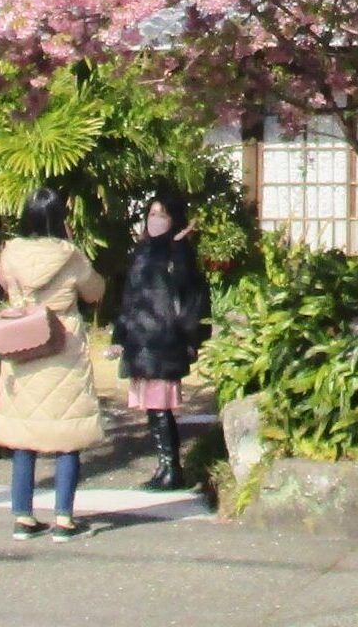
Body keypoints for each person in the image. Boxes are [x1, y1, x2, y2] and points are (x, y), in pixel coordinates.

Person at [0, 187, 107, 541]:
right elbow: (95, 292)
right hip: (63, 348)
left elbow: (2, 283)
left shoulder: (10, 252)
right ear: (59, 220)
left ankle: (23, 517)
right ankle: (64, 520)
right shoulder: (70, 256)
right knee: (67, 436)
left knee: (23, 436)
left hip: (23, 346)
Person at [111, 186, 207, 492]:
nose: (156, 220)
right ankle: (164, 465)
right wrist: (119, 336)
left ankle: (171, 467)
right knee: (153, 408)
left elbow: (190, 293)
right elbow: (130, 297)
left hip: (164, 340)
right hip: (142, 338)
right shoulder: (142, 251)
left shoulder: (179, 252)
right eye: (152, 214)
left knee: (161, 406)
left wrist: (180, 249)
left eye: (162, 215)